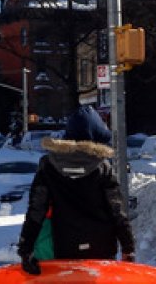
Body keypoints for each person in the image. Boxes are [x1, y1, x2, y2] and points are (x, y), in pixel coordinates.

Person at [16, 105, 135, 275]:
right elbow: (117, 210)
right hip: (101, 249)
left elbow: (36, 210)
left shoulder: (48, 166)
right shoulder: (103, 168)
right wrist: (128, 247)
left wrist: (26, 248)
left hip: (63, 247)